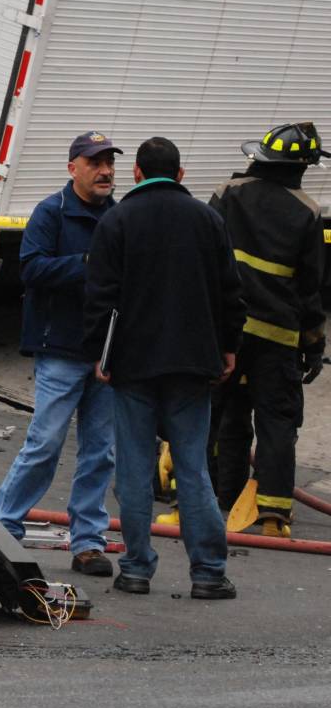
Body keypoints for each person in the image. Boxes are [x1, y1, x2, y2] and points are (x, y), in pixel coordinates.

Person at [83, 137, 245, 600]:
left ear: (135, 172)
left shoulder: (117, 220)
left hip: (132, 365)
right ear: (180, 175)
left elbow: (100, 297)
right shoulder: (208, 220)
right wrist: (228, 347)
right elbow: (230, 292)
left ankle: (136, 569)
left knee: (134, 469)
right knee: (193, 469)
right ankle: (209, 573)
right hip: (193, 365)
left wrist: (102, 353)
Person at [0, 130, 121, 577]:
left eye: (109, 162)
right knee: (45, 442)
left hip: (104, 355)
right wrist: (86, 265)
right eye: (95, 162)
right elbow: (31, 269)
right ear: (73, 169)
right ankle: (4, 525)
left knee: (100, 452)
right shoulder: (51, 213)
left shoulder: (118, 218)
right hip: (61, 349)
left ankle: (88, 542)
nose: (105, 170)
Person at [208, 122, 327, 537]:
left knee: (222, 411)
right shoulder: (308, 212)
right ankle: (274, 515)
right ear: (302, 166)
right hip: (277, 338)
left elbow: (204, 259)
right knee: (277, 422)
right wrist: (314, 345)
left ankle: (215, 498)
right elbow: (310, 289)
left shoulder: (227, 194)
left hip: (226, 331)